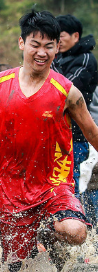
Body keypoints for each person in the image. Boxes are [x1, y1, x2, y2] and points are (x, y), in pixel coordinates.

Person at [0, 10, 98, 272]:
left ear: (57, 47)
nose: (42, 52)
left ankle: (48, 232)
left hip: (53, 183)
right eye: (35, 44)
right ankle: (33, 248)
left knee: (76, 231)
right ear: (22, 43)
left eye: (49, 46)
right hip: (9, 188)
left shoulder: (67, 91)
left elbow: (93, 134)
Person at [53, 14, 98, 197]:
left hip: (76, 133)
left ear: (76, 36)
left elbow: (66, 89)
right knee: (56, 180)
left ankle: (77, 219)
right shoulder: (58, 58)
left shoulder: (86, 59)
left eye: (61, 36)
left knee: (72, 178)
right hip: (56, 131)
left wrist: (48, 64)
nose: (58, 41)